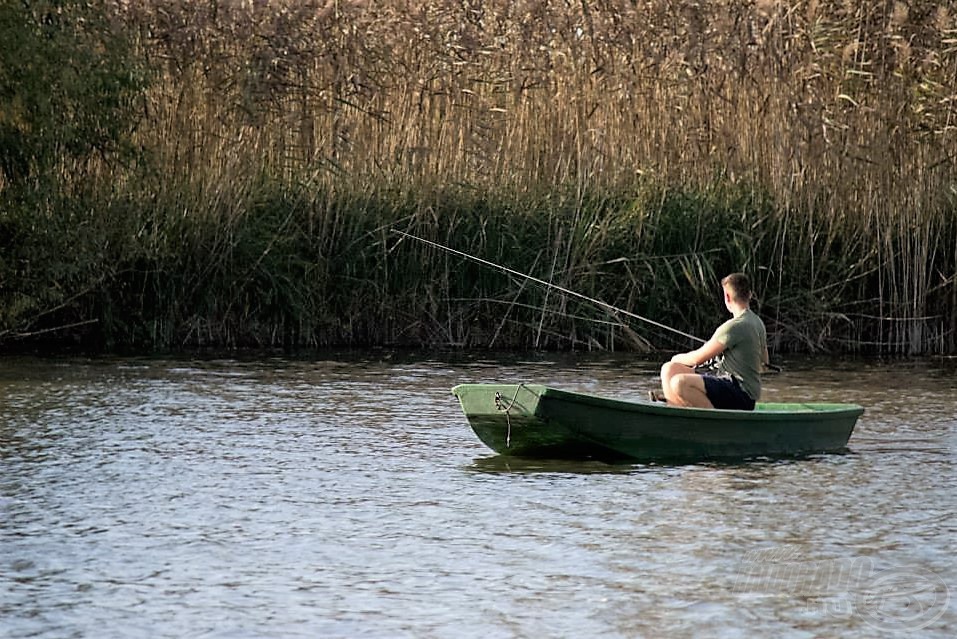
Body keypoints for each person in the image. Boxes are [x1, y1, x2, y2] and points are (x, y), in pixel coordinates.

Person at [657, 272, 768, 410]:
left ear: (727, 297)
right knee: (669, 369)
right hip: (736, 390)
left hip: (740, 394)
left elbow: (696, 359)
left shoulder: (733, 326)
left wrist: (676, 357)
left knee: (679, 382)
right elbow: (764, 363)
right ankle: (676, 413)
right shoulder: (758, 322)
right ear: (750, 294)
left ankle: (714, 424)